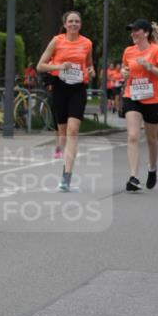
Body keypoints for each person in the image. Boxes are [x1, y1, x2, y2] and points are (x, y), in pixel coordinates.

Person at [36, 10, 95, 192]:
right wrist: (59, 66)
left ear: (80, 25)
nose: (74, 24)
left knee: (73, 131)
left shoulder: (87, 43)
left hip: (78, 89)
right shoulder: (57, 41)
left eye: (77, 21)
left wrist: (92, 72)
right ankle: (62, 155)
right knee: (62, 131)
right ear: (65, 24)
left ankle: (66, 176)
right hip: (60, 87)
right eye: (70, 21)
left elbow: (90, 65)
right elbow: (40, 66)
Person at [120, 18, 158, 191]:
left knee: (151, 139)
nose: (133, 33)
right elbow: (125, 70)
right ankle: (133, 177)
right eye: (131, 30)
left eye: (136, 30)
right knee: (133, 136)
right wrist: (123, 73)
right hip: (132, 96)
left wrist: (150, 67)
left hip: (153, 99)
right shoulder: (128, 51)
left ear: (146, 33)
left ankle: (152, 168)